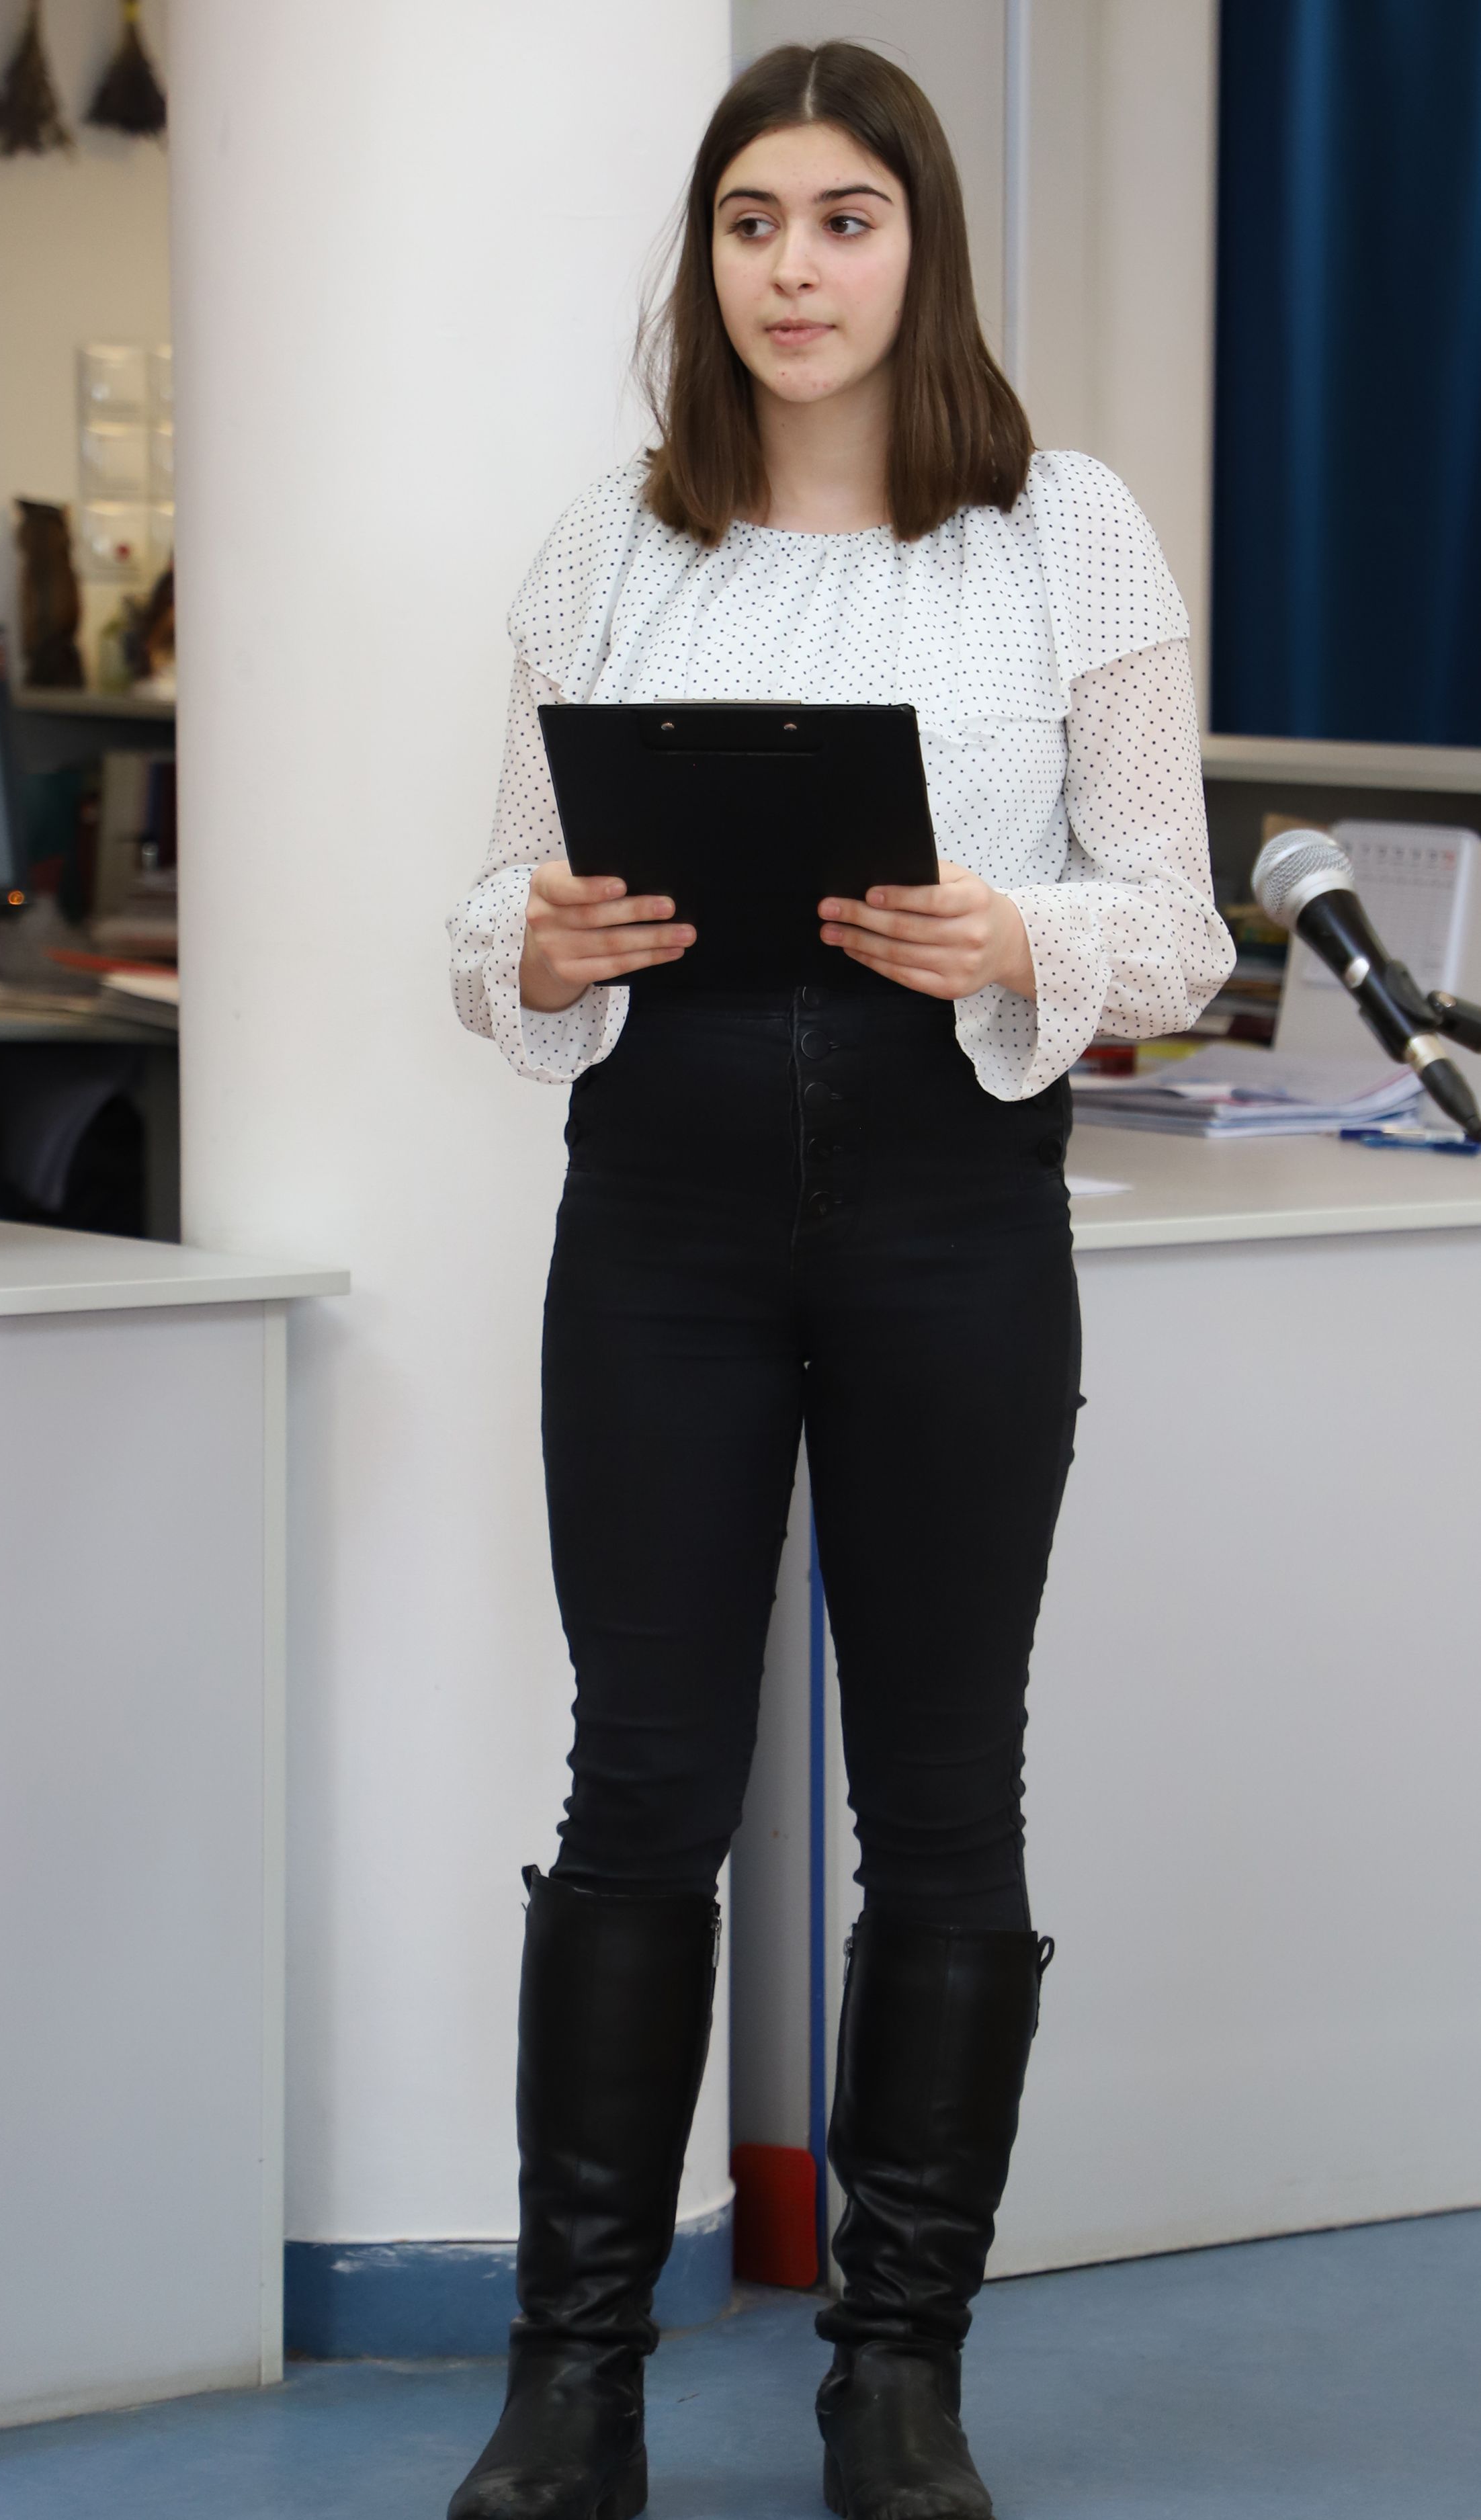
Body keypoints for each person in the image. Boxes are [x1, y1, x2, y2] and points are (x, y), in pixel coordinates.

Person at [446, 41, 1232, 2520]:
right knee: (637, 1792)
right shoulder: (606, 546)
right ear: (708, 257)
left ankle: (898, 2378)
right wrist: (529, 946)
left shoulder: (1064, 534)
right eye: (752, 221)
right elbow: (488, 905)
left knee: (946, 1802)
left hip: (948, 1209)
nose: (794, 269)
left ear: (920, 247)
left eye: (844, 219)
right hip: (659, 1217)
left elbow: (1182, 931)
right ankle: (570, 2389)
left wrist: (1018, 933)